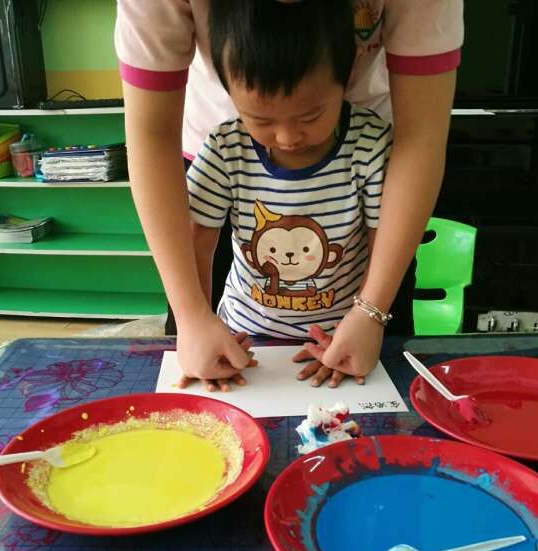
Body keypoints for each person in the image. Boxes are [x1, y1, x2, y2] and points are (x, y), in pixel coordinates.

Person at [116, 0, 462, 389]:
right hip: (246, 323)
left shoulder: (369, 149)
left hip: (345, 310)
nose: (287, 138)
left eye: (309, 117)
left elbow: (420, 141)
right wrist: (192, 316)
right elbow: (154, 141)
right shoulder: (226, 150)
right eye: (265, 121)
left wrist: (371, 312)